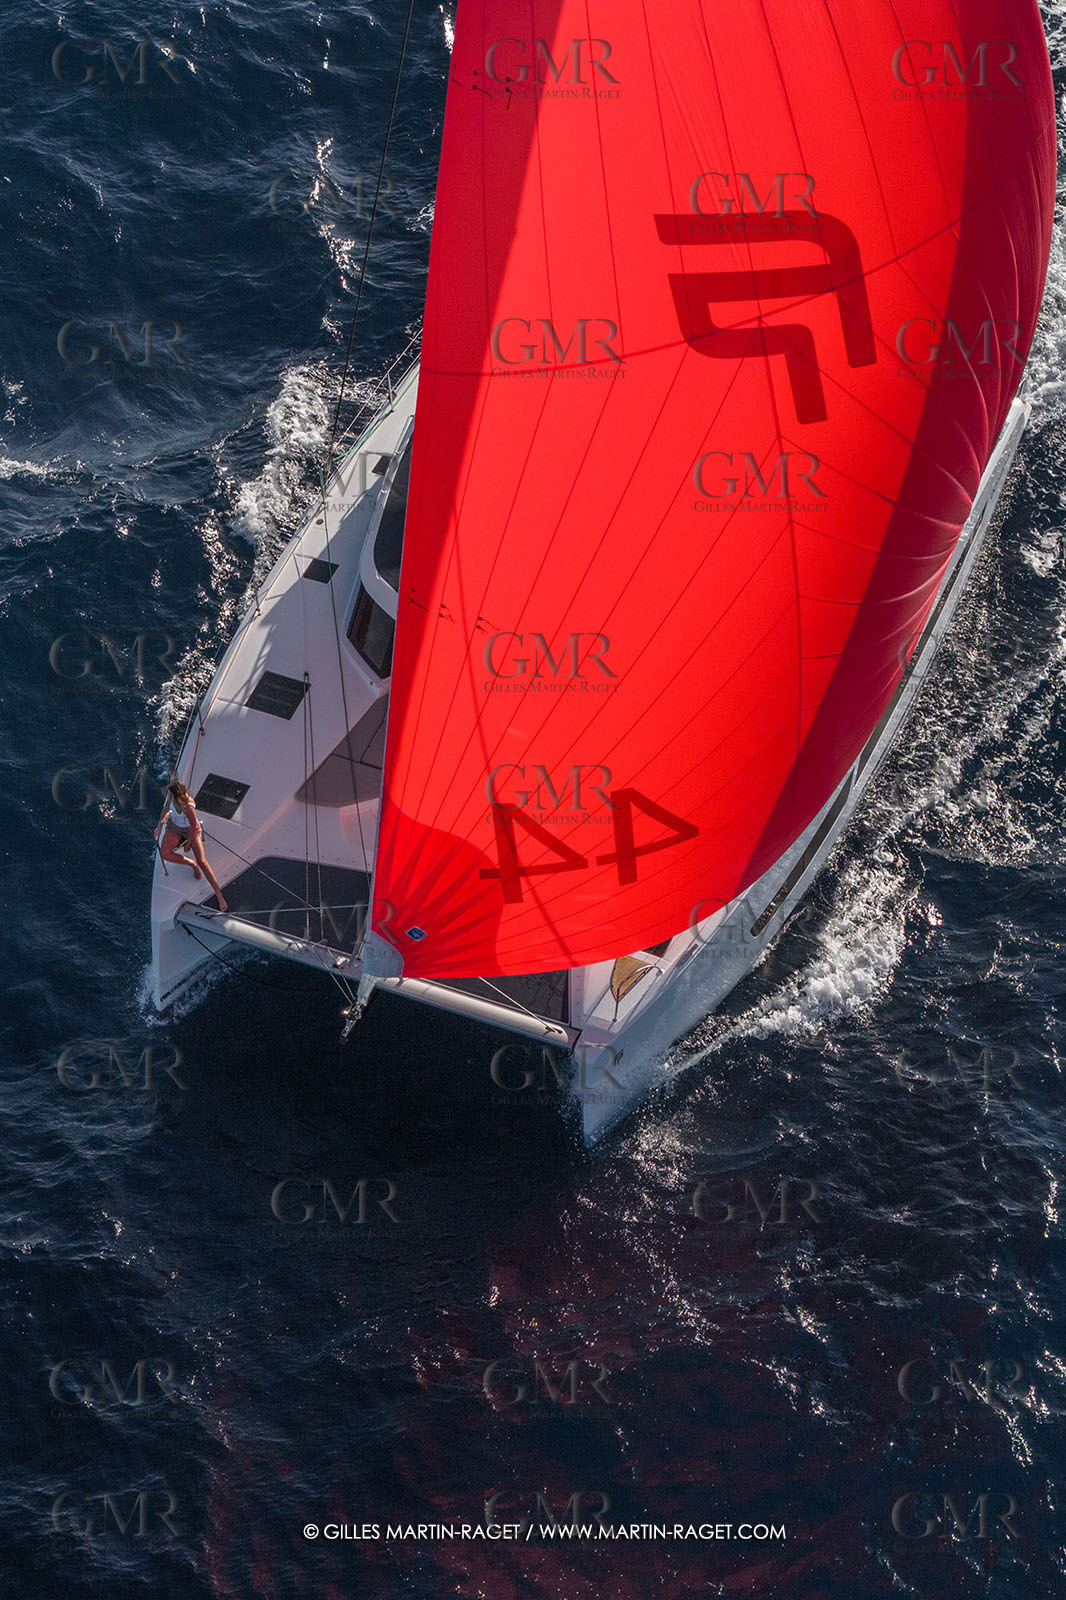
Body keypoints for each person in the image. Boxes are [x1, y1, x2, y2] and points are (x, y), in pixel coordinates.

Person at [153, 777, 229, 912]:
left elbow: (193, 827)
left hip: (190, 831)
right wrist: (160, 825)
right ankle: (191, 864)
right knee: (165, 854)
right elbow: (166, 808)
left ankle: (219, 895)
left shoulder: (188, 805)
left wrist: (188, 844)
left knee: (202, 861)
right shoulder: (171, 796)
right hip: (174, 827)